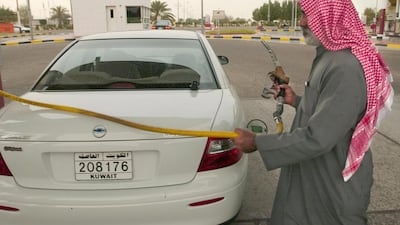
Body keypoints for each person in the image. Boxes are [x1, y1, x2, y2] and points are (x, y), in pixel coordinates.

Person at [233, 0, 394, 224]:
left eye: (307, 15)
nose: (302, 22)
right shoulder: (329, 57)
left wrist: (258, 142)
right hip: (316, 176)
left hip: (332, 189)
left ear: (330, 17)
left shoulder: (345, 66)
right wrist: (296, 100)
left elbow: (319, 137)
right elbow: (330, 110)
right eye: (302, 14)